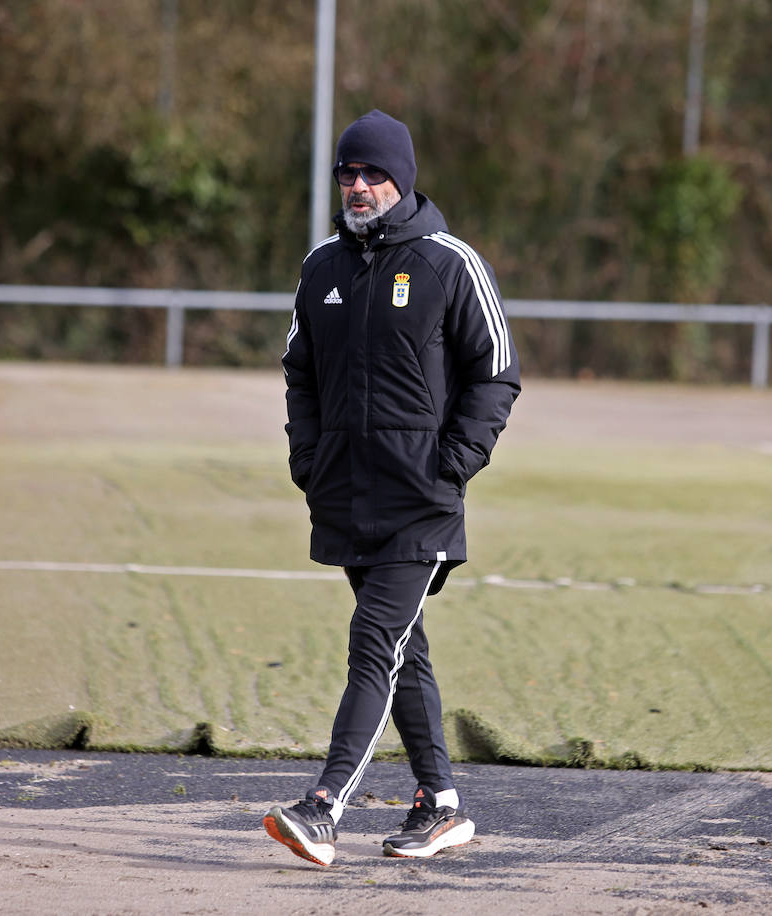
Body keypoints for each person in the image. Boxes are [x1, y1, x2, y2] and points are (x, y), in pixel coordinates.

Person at [264, 109, 520, 866]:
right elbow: (299, 373)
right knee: (403, 649)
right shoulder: (322, 268)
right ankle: (441, 805)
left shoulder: (449, 262)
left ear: (402, 181)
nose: (359, 185)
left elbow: (496, 371)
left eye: (374, 174)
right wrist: (308, 459)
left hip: (422, 502)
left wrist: (454, 462)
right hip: (344, 495)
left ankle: (324, 805)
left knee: (374, 642)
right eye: (349, 172)